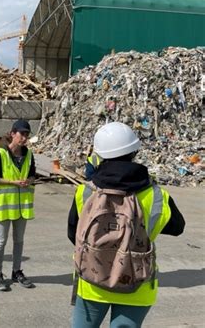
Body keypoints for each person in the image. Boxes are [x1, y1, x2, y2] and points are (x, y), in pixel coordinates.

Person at [67, 122, 185, 328]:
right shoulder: (156, 196)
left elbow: (72, 234)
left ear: (99, 155)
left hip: (91, 282)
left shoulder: (85, 193)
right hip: (136, 286)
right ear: (134, 152)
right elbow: (177, 227)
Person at [0, 119, 36, 291]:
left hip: (22, 206)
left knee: (19, 240)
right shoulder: (1, 154)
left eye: (27, 135)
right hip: (5, 205)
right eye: (22, 134)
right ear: (13, 133)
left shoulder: (28, 155)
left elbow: (33, 175)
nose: (24, 138)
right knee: (1, 241)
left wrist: (28, 181)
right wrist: (13, 182)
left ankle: (16, 271)